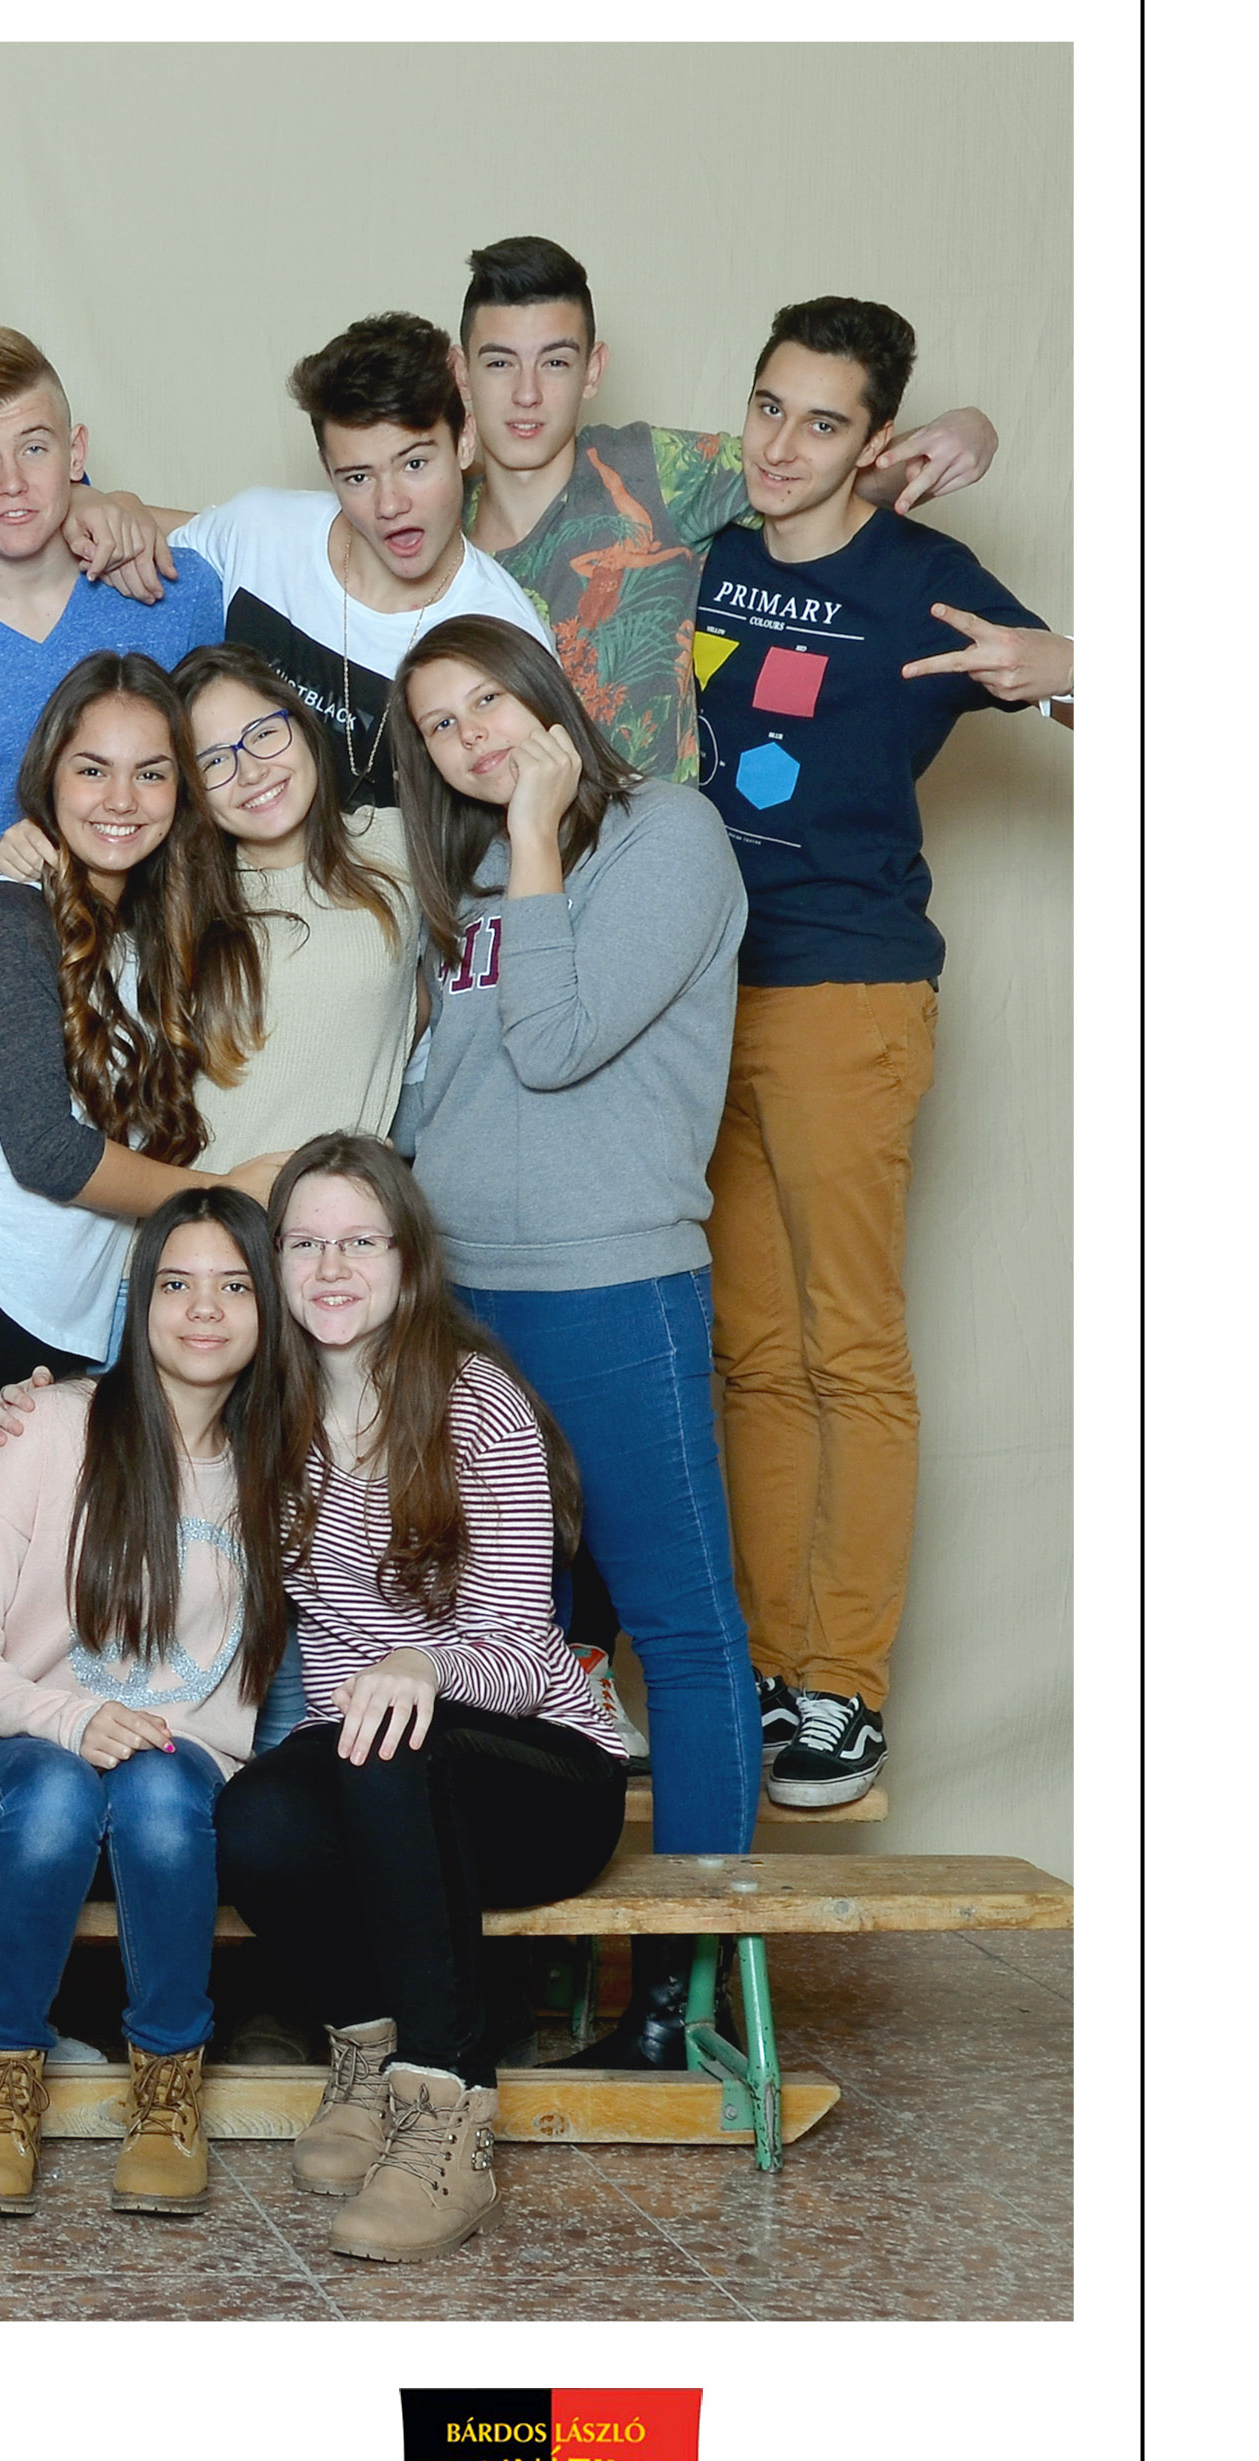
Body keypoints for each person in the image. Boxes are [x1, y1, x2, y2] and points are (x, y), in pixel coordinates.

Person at [691, 295, 1071, 1814]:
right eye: (766, 406)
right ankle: (770, 1666)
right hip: (691, 1001)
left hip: (845, 994)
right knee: (746, 1352)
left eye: (822, 423)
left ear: (875, 442)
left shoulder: (920, 578)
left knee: (845, 1346)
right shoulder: (701, 546)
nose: (780, 446)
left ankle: (841, 1686)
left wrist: (1070, 661)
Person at [0, 653, 275, 1857]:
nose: (119, 798)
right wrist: (226, 1197)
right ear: (46, 778)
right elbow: (45, 1151)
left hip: (57, 1322)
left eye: (150, 772)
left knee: (38, 1637)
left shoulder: (143, 938)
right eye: (90, 769)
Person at [391, 614, 751, 2067]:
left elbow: (552, 1042)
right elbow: (440, 1087)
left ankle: (676, 1996)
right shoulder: (465, 866)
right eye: (438, 724)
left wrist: (537, 830)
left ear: (549, 695)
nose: (471, 737)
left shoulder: (667, 837)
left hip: (610, 1286)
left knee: (679, 1626)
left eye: (489, 701)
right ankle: (518, 1967)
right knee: (508, 1636)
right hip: (464, 1304)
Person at [213, 1135, 631, 2261]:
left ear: (406, 1260)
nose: (329, 1267)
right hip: (383, 1771)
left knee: (388, 1745)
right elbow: (138, 1420)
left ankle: (446, 2119)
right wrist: (26, 1403)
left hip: (542, 1778)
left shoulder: (475, 1402)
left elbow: (528, 1652)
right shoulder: (274, 1415)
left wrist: (425, 1667)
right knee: (253, 1816)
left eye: (359, 1241)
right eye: (303, 1243)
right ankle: (365, 2049)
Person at [0, 1191, 283, 2219]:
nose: (202, 1308)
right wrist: (70, 1719)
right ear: (139, 1300)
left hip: (174, 1791)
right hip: (6, 1777)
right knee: (59, 1791)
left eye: (233, 1285)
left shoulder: (280, 1469)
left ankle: (166, 2090)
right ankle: (2, 2084)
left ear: (268, 1307)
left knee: (160, 1788)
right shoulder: (46, 1428)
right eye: (175, 1283)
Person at [455, 235, 999, 782]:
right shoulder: (430, 524)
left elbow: (809, 473)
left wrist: (962, 432)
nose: (527, 394)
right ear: (461, 372)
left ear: (593, 370)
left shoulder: (656, 472)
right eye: (500, 362)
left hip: (649, 831)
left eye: (555, 362)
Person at [0, 328, 224, 1165]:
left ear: (76, 452)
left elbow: (300, 540)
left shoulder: (171, 596)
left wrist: (126, 505)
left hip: (151, 1011)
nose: (12, 483)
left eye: (34, 447)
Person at [118, 315, 558, 813]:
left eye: (414, 464)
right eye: (357, 477)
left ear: (464, 442)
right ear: (327, 471)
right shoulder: (261, 532)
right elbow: (141, 542)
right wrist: (102, 502)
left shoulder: (503, 628)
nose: (390, 504)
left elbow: (531, 812)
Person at [171, 648, 423, 1170]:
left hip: (336, 1211)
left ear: (303, 725)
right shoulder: (178, 895)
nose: (250, 771)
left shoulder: (396, 844)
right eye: (214, 761)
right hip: (202, 1210)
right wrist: (11, 853)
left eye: (264, 733)